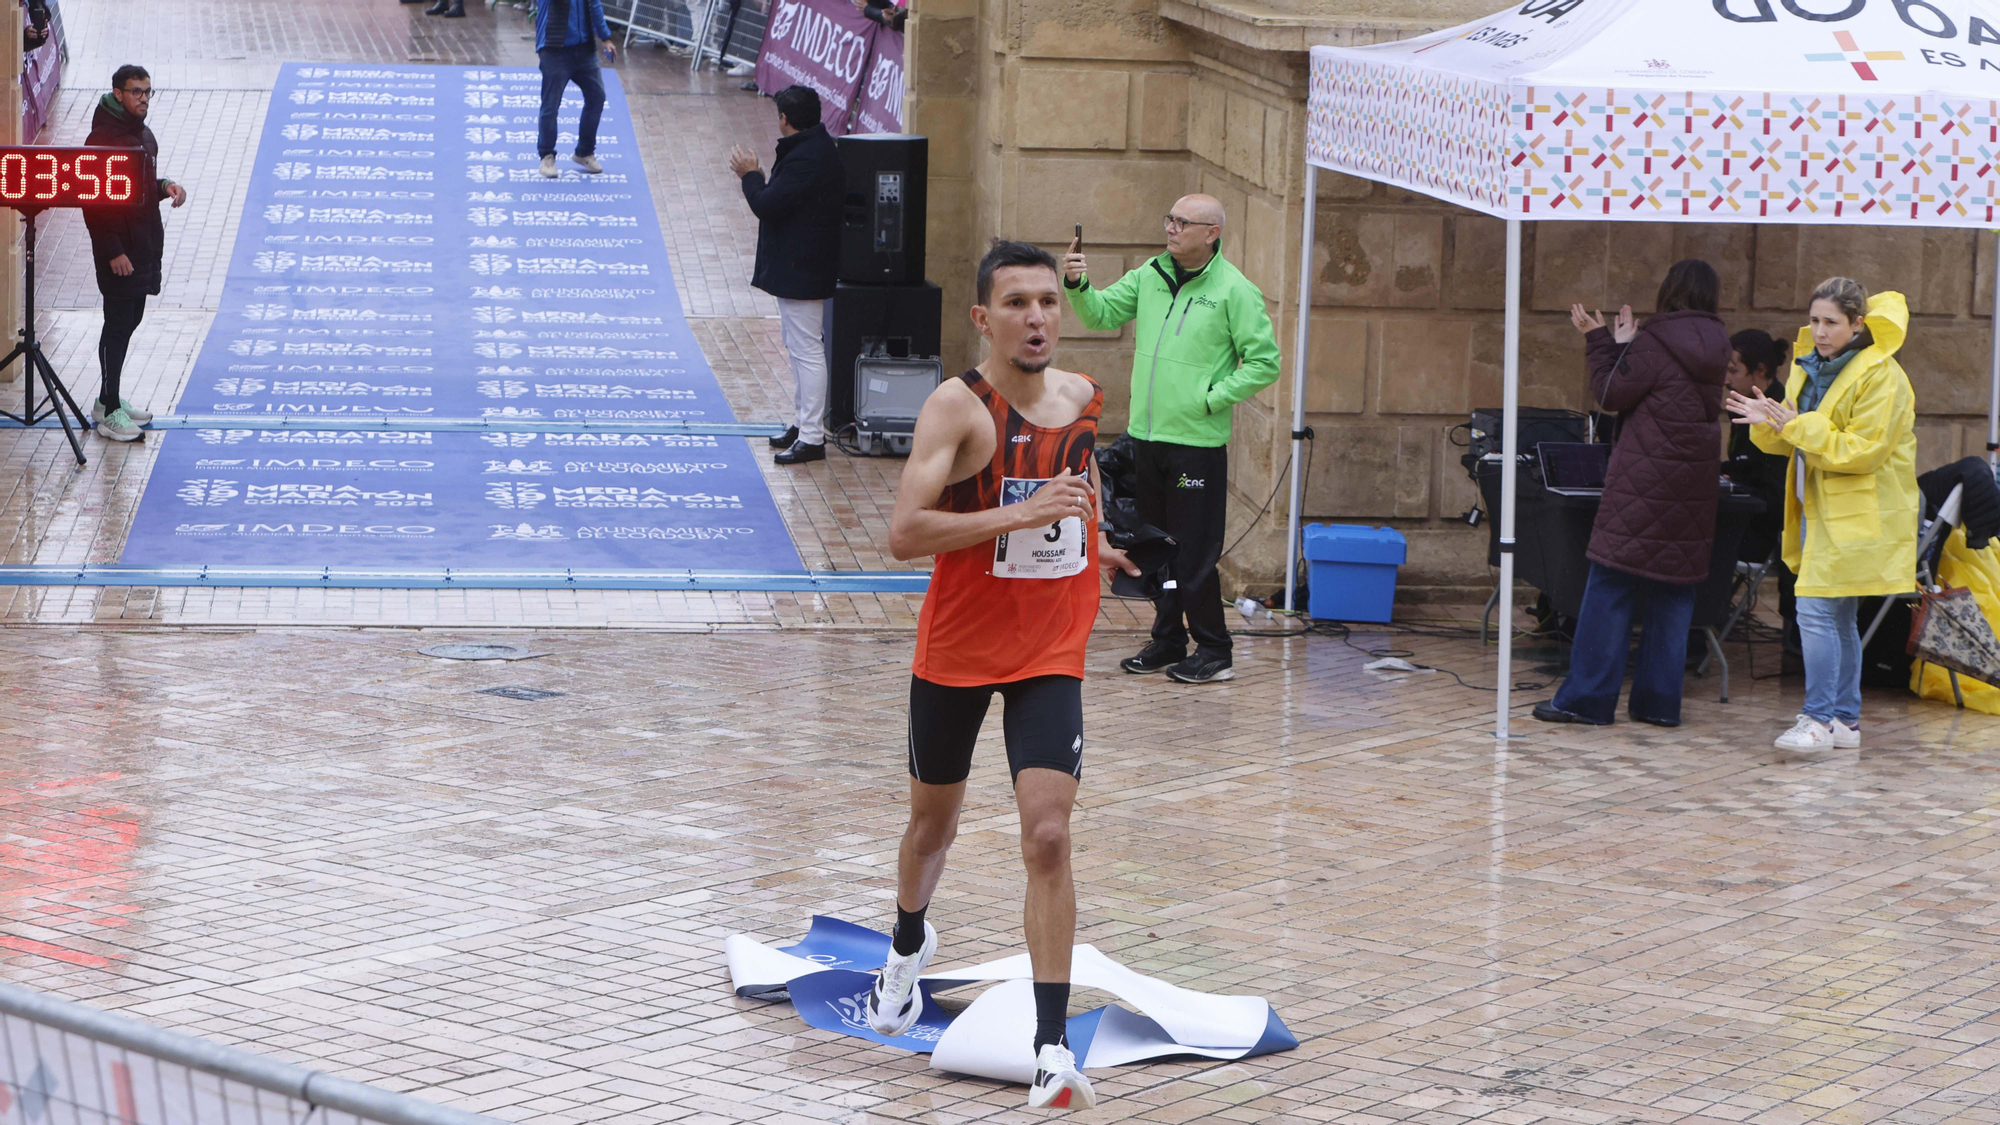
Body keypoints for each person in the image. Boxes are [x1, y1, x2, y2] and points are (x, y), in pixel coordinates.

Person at [868, 241, 1138, 1112]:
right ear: (983, 318)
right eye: (1016, 303)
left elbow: (1075, 477)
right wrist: (1019, 512)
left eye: (1049, 303)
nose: (1036, 318)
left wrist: (1095, 535)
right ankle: (907, 945)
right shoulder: (957, 409)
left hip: (1049, 647)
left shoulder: (1084, 397)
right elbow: (905, 533)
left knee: (1048, 835)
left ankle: (1052, 1049)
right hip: (956, 648)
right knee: (929, 828)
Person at [1062, 194, 1280, 684]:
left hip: (1196, 444)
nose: (1172, 228)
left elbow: (1265, 362)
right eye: (1170, 219)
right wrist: (1077, 283)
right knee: (1154, 545)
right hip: (1147, 438)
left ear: (1212, 233)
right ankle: (1167, 640)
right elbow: (1099, 314)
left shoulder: (1234, 291)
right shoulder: (1150, 276)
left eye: (1184, 222)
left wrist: (1209, 397)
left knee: (1194, 552)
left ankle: (1215, 649)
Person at [1533, 259, 1730, 728]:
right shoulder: (1719, 346)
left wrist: (1602, 341)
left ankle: (1586, 700)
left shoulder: (1657, 340)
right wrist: (1625, 347)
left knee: (1610, 585)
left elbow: (1610, 394)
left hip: (1644, 482)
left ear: (1669, 292)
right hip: (1694, 486)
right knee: (1674, 592)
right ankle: (1659, 705)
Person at [1728, 278, 1920, 751]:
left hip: (1857, 511)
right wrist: (1770, 423)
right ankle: (1842, 722)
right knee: (1835, 616)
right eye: (1814, 320)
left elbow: (1862, 451)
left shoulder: (1884, 376)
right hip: (1817, 504)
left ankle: (1817, 719)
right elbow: (1795, 435)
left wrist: (1793, 425)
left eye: (1831, 322)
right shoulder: (1807, 367)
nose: (1819, 331)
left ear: (1858, 323)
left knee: (1817, 610)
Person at [729, 86, 843, 465]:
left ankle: (811, 437)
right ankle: (802, 423)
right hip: (802, 265)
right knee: (798, 347)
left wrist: (751, 175)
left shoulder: (806, 157)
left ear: (784, 119)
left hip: (803, 268)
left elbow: (767, 204)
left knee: (807, 349)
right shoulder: (814, 148)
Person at [82, 65, 188, 444]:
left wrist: (165, 186)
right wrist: (113, 251)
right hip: (121, 253)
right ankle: (110, 412)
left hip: (143, 246)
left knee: (130, 322)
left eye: (148, 91)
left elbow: (139, 187)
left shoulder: (141, 135)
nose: (144, 98)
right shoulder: (103, 140)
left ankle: (106, 400)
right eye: (136, 91)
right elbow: (94, 205)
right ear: (117, 92)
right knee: (117, 325)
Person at [1723, 328, 1798, 653]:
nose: (1726, 378)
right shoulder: (1739, 406)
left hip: (1769, 530)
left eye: (1733, 370)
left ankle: (1699, 631)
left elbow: (1774, 492)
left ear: (1760, 372)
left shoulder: (1780, 409)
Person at [532, 0, 615, 178]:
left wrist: (605, 37)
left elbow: (594, 5)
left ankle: (584, 152)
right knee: (551, 104)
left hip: (585, 50)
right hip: (554, 49)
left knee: (597, 97)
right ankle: (547, 155)